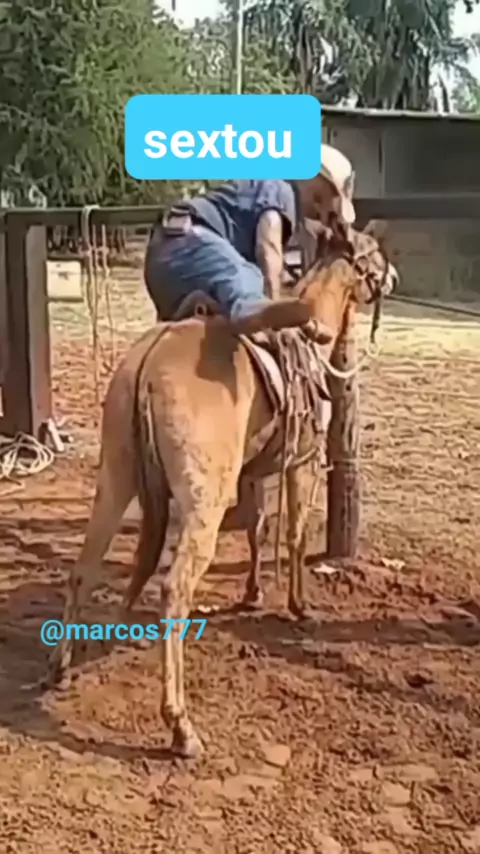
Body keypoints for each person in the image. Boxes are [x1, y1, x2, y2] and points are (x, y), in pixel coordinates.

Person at [144, 144, 356, 341]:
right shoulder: (281, 189)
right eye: (326, 206)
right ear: (317, 185)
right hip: (188, 242)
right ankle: (257, 313)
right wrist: (274, 307)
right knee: (250, 275)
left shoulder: (268, 188)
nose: (321, 216)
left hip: (172, 262)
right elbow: (268, 249)